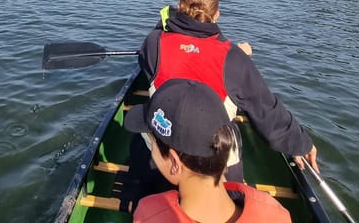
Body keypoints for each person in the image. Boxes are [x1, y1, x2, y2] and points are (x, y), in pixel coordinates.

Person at [138, 0, 318, 177]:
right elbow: (265, 108)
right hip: (216, 161)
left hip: (165, 156)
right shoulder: (233, 58)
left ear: (179, 7)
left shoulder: (154, 43)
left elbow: (147, 64)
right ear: (217, 15)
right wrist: (299, 143)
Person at [124, 78, 291, 223]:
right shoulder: (276, 213)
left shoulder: (149, 214)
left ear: (174, 162)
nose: (152, 150)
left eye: (152, 144)